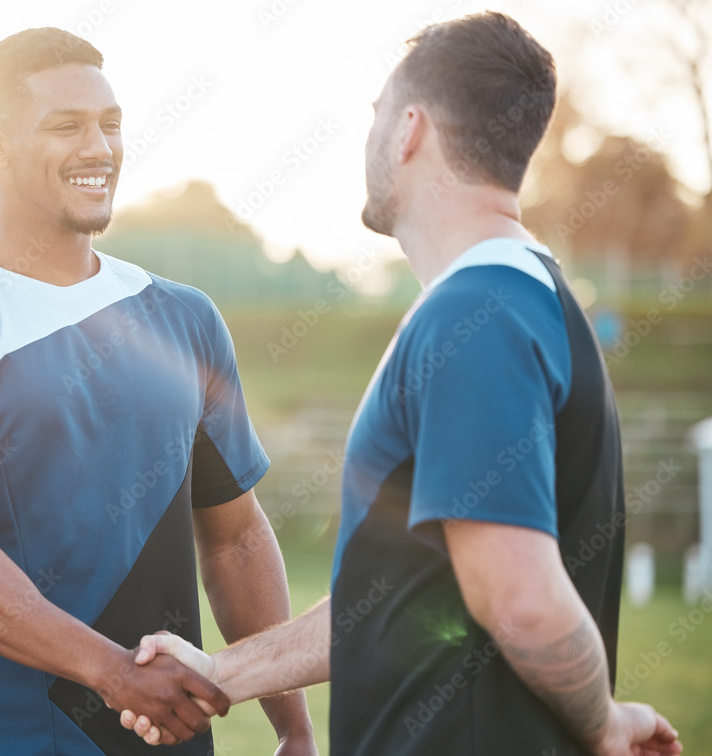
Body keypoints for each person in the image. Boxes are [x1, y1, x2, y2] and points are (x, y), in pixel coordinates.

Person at [121, 12, 683, 756]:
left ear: (409, 130)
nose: (369, 137)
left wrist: (606, 723)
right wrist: (221, 670)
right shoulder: (521, 297)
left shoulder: (478, 316)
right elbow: (392, 598)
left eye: (376, 115)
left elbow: (517, 595)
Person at [0, 27, 315, 756]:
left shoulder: (184, 319)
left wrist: (293, 727)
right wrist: (114, 673)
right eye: (66, 126)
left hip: (168, 739)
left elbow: (236, 534)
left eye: (111, 125)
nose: (99, 148)